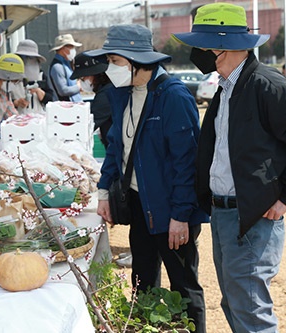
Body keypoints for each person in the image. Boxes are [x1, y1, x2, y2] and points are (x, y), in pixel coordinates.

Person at [172, 3, 286, 332]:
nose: (195, 53)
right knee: (234, 303)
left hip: (252, 219)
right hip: (224, 215)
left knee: (249, 311)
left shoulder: (266, 86)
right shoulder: (228, 88)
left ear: (220, 47)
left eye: (199, 46)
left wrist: (284, 197)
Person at [92, 24, 209, 332]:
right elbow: (116, 145)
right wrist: (104, 190)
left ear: (136, 61)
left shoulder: (173, 97)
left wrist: (181, 215)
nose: (110, 69)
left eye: (115, 62)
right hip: (137, 200)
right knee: (142, 280)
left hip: (171, 207)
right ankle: (144, 326)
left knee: (183, 285)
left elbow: (187, 163)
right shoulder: (122, 94)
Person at [70, 53, 112, 147]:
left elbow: (89, 124)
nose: (82, 81)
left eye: (83, 77)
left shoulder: (106, 94)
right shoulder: (108, 89)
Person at [7, 39, 54, 114]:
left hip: (38, 118)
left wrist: (39, 92)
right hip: (17, 119)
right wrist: (16, 103)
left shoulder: (41, 76)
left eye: (31, 58)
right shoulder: (10, 78)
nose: (27, 62)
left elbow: (51, 99)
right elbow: (3, 101)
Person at [48, 34, 83, 102]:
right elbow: (63, 91)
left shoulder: (66, 64)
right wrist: (79, 87)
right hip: (65, 108)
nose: (73, 50)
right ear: (63, 49)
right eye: (71, 47)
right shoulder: (57, 66)